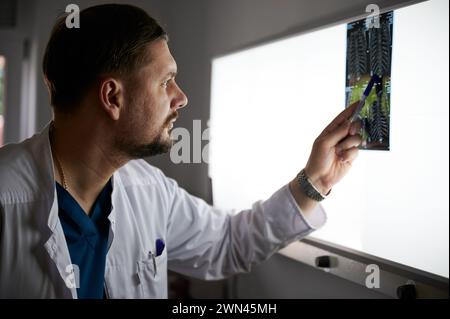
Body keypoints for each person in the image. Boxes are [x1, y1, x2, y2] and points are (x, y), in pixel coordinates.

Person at [0, 4, 362, 299]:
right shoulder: (6, 196)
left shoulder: (147, 189)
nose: (181, 98)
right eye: (165, 81)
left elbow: (227, 243)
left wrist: (314, 181)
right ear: (112, 97)